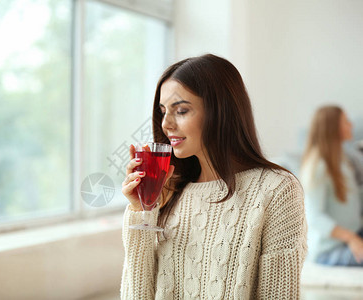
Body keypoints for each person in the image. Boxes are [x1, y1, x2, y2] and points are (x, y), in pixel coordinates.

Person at [120, 54, 307, 299]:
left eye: (182, 110)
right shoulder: (169, 190)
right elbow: (137, 295)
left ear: (221, 111)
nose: (166, 124)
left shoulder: (277, 190)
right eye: (163, 111)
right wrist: (142, 210)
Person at [300, 105, 363, 266]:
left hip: (353, 234)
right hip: (329, 249)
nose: (351, 125)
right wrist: (352, 238)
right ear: (332, 127)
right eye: (346, 121)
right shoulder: (318, 166)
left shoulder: (342, 160)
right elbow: (315, 217)